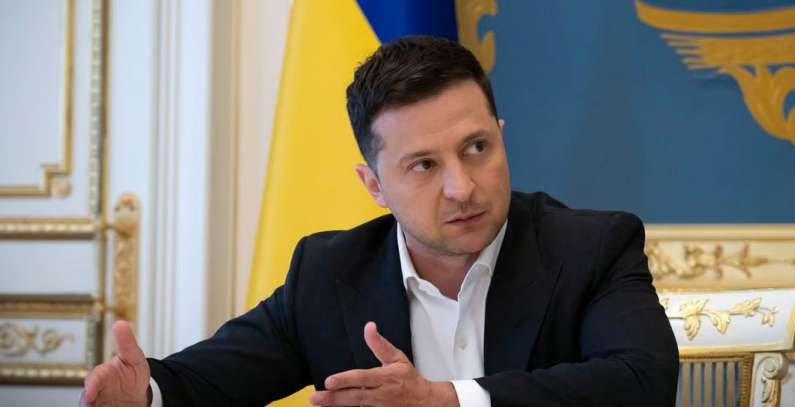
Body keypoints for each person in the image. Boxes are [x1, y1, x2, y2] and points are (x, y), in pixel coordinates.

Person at [81, 35, 678, 406]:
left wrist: (447, 401)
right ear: (374, 186)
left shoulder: (591, 247)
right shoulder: (330, 271)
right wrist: (145, 395)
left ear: (501, 138)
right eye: (424, 165)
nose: (462, 186)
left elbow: (642, 381)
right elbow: (210, 381)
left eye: (476, 148)